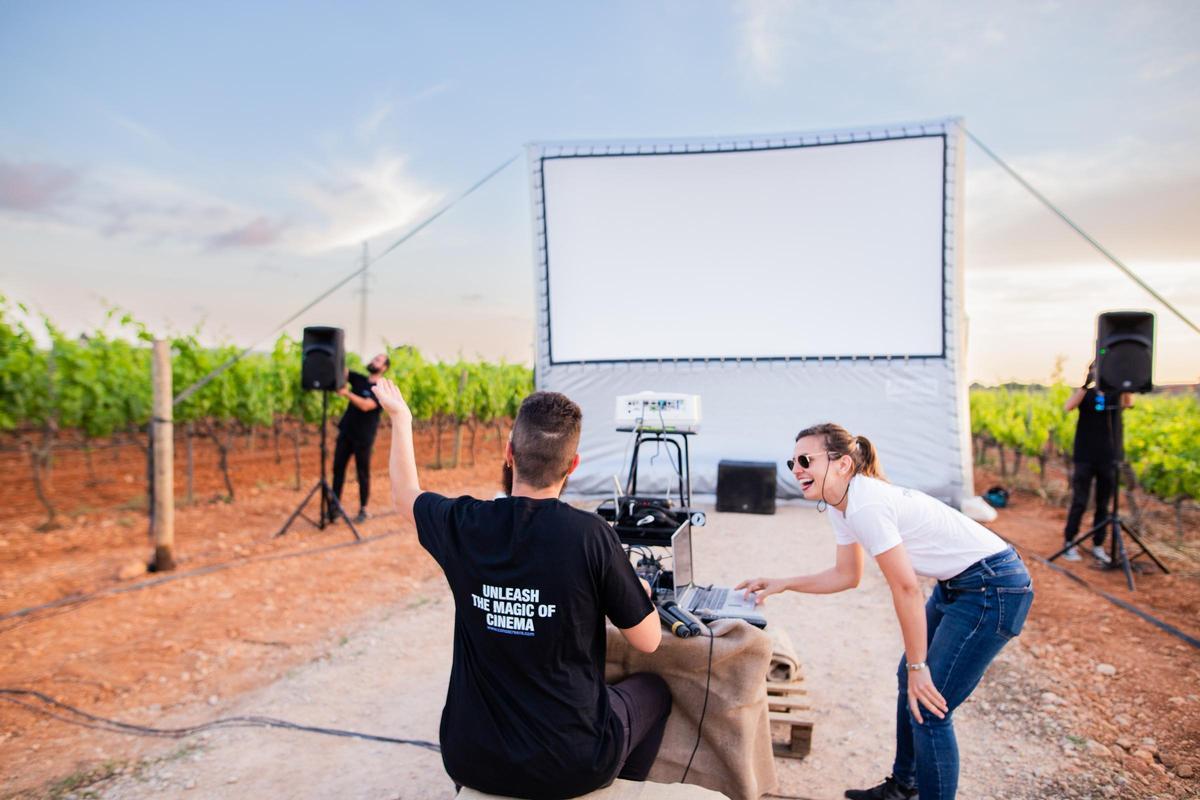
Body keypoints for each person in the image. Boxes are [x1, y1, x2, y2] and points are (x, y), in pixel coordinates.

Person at [373, 378, 671, 799]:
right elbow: (648, 640)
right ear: (573, 465)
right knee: (654, 692)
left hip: (471, 758)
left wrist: (400, 418)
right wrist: (635, 587)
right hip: (572, 765)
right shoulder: (591, 536)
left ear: (510, 454)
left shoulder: (465, 523)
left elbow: (406, 496)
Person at [737, 423, 1033, 800]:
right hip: (962, 585)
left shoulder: (865, 504)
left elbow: (906, 588)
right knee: (909, 679)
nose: (796, 469)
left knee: (929, 707)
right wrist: (783, 583)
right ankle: (903, 787)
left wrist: (919, 666)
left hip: (993, 587)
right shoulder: (840, 504)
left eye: (806, 460)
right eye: (792, 461)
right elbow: (847, 576)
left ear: (843, 464)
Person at [1061, 362, 1131, 564]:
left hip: (1108, 457)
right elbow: (1069, 406)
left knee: (1104, 504)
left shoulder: (1115, 396)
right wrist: (1085, 385)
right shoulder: (1087, 395)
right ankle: (1069, 541)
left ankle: (1098, 544)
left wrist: (1124, 383)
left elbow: (1127, 403)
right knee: (1080, 501)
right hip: (1084, 456)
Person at [330, 353, 388, 523]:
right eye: (373, 358)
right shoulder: (359, 379)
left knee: (362, 473)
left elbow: (365, 405)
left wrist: (346, 394)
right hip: (346, 432)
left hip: (363, 437)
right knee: (338, 470)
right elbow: (343, 371)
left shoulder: (381, 389)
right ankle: (334, 508)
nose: (373, 361)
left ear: (384, 368)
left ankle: (363, 509)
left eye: (378, 360)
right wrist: (336, 349)